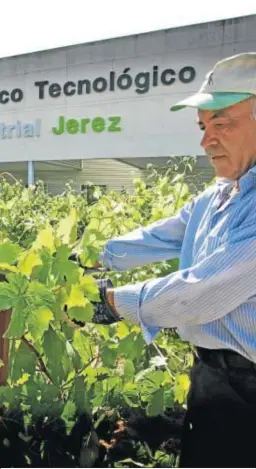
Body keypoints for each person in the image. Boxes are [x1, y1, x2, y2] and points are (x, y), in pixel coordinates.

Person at [90, 52, 256, 468]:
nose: (206, 140)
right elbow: (162, 235)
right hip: (211, 377)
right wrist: (90, 258)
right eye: (203, 127)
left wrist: (112, 302)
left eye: (222, 123)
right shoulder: (223, 192)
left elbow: (204, 290)